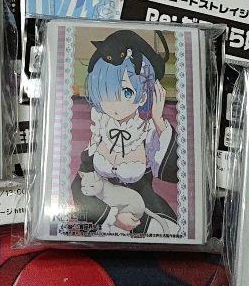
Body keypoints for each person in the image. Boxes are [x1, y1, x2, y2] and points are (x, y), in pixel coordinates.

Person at [73, 29, 179, 236]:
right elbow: (79, 184)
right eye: (106, 92)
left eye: (127, 92)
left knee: (165, 232)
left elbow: (175, 174)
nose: (115, 103)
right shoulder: (100, 128)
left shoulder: (147, 133)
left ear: (143, 96)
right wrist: (111, 217)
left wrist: (158, 121)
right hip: (102, 213)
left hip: (145, 212)